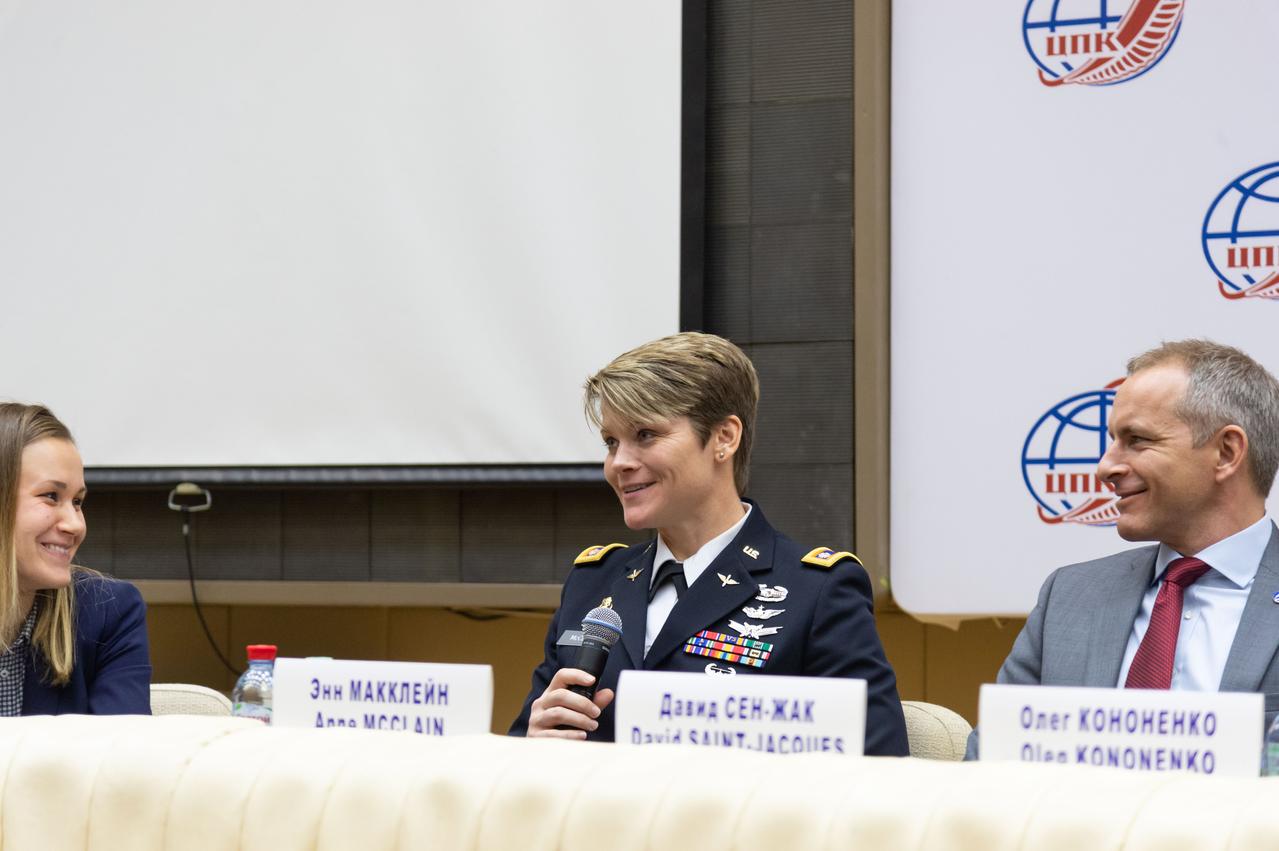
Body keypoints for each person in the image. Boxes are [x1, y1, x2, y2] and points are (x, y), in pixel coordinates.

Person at [509, 332, 909, 755]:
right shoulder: (594, 582)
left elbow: (879, 770)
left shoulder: (817, 590)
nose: (619, 463)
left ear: (724, 438)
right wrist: (534, 743)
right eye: (611, 442)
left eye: (645, 435)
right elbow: (515, 762)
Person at [967, 339, 1279, 758]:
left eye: (1137, 440)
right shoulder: (1069, 597)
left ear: (1226, 452)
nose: (1105, 468)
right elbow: (990, 764)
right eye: (1113, 439)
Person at [0, 402, 151, 715]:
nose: (75, 525)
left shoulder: (109, 613)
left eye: (78, 501)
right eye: (51, 496)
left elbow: (121, 756)